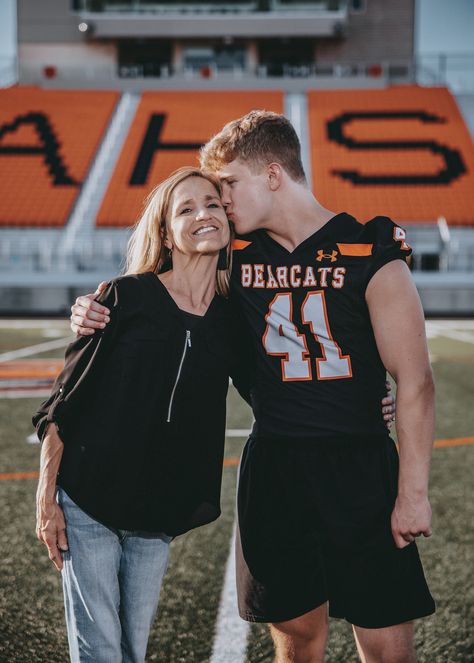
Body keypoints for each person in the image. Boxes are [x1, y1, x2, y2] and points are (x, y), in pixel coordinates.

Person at [69, 112, 429, 663]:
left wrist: (412, 494)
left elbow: (416, 382)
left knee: (385, 648)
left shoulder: (369, 247)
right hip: (277, 469)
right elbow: (169, 285)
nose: (221, 200)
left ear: (273, 174)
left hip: (360, 466)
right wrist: (94, 308)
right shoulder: (237, 255)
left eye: (229, 185)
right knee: (297, 642)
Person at [33, 166, 253, 663]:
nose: (204, 214)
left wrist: (367, 402)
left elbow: (274, 389)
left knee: (132, 649)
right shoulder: (125, 298)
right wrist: (47, 498)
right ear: (166, 233)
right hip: (89, 500)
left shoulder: (234, 319)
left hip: (158, 512)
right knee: (101, 652)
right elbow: (64, 404)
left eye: (213, 204)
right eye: (186, 208)